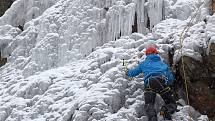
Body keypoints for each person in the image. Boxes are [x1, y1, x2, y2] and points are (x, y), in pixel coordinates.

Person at [126, 45, 177, 121]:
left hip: (149, 82)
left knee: (149, 104)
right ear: (156, 53)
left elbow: (133, 72)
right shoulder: (162, 64)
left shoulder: (143, 64)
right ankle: (164, 111)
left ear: (147, 54)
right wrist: (168, 86)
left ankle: (153, 118)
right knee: (171, 103)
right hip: (160, 81)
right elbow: (170, 78)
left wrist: (127, 71)